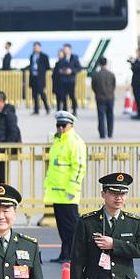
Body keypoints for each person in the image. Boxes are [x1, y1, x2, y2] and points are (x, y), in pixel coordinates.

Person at [43, 111, 86, 263]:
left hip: (68, 193)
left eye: (63, 125)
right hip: (57, 193)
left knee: (71, 227)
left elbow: (79, 168)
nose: (60, 128)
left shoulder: (74, 142)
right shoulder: (59, 140)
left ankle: (75, 255)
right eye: (58, 125)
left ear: (71, 125)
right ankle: (65, 254)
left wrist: (72, 190)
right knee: (63, 227)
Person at [91, 57, 116, 139]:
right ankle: (110, 133)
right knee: (110, 115)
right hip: (110, 97)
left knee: (101, 116)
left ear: (99, 64)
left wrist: (97, 93)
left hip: (100, 97)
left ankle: (102, 134)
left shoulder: (96, 75)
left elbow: (93, 87)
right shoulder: (111, 74)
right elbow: (113, 85)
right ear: (106, 63)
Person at [53, 43, 81, 116]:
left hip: (71, 81)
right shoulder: (62, 58)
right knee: (63, 97)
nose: (65, 51)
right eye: (64, 49)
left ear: (70, 50)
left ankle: (74, 110)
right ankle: (65, 111)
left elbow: (79, 68)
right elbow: (58, 69)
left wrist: (71, 71)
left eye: (66, 49)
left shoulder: (74, 58)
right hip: (63, 81)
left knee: (72, 96)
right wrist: (62, 71)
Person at [23, 42, 50, 115]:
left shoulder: (44, 56)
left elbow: (47, 67)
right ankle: (36, 110)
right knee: (34, 95)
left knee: (42, 94)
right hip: (33, 77)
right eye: (34, 47)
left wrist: (40, 69)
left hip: (40, 78)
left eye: (37, 47)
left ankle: (47, 108)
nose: (35, 48)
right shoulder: (32, 56)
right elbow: (31, 65)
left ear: (40, 48)